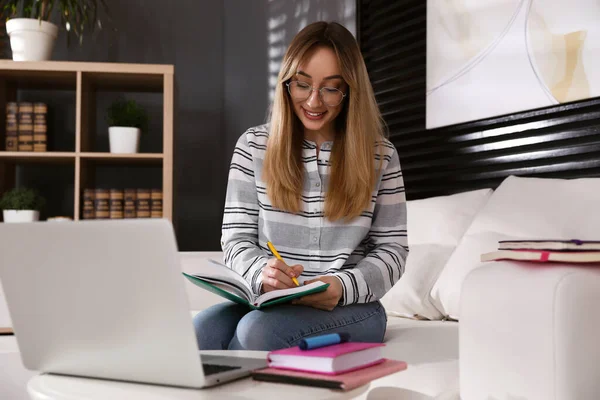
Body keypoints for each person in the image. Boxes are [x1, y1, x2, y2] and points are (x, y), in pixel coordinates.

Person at [193, 21, 408, 351]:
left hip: (352, 308)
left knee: (255, 333)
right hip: (270, 301)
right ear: (286, 84)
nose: (313, 101)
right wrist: (263, 272)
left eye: (331, 88)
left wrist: (341, 285)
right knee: (197, 332)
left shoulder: (381, 156)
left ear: (350, 90)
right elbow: (235, 239)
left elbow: (392, 250)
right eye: (302, 85)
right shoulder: (253, 146)